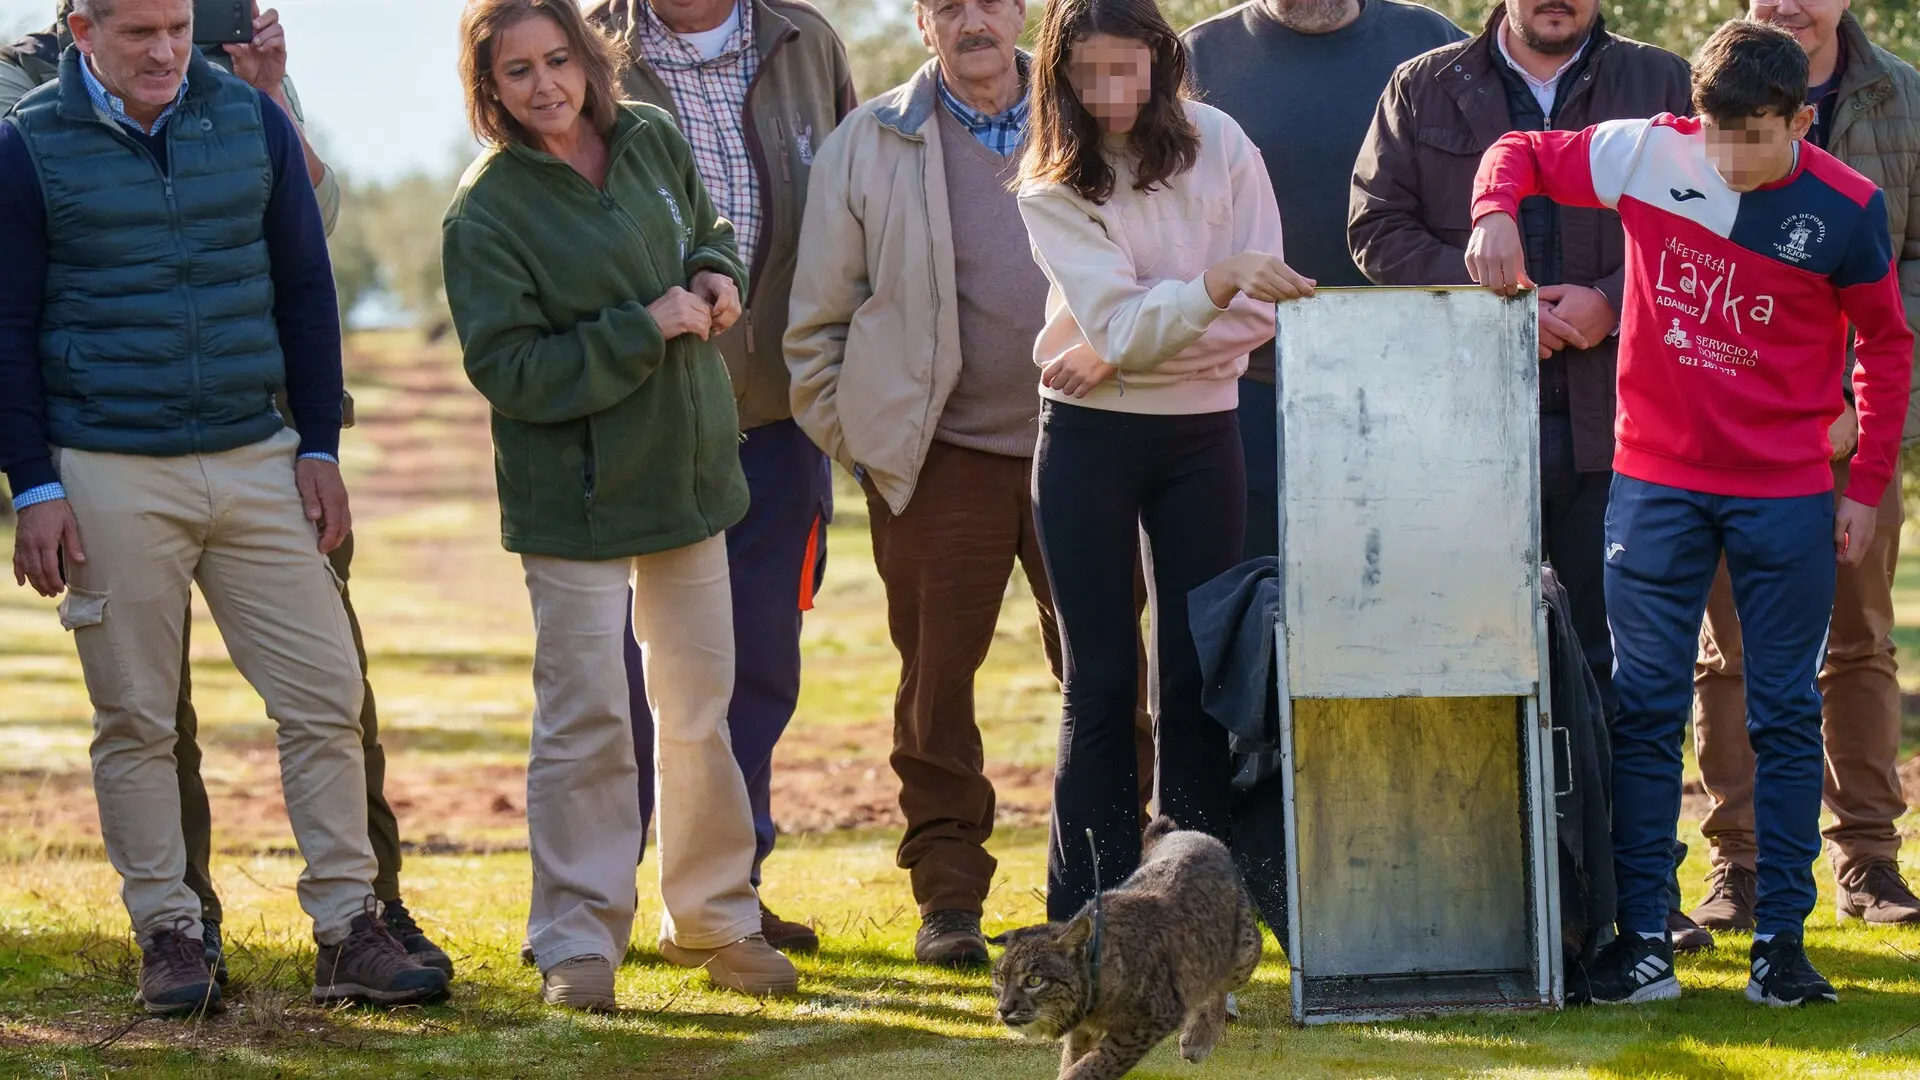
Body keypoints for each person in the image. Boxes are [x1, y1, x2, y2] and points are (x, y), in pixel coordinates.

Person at [0, 0, 449, 1015]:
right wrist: (34, 483)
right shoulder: (28, 145)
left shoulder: (251, 122)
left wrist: (320, 444)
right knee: (135, 718)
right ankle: (170, 933)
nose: (166, 50)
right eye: (138, 33)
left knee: (325, 695)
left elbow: (307, 288)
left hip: (256, 453)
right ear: (83, 32)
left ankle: (350, 928)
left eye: (175, 27)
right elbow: (8, 324)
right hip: (108, 464)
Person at [1469, 18, 1915, 1006]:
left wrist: (1866, 487)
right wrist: (1495, 211)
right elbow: (1519, 150)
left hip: (1787, 493)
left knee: (1785, 711)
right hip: (1656, 484)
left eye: (1753, 139)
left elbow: (1887, 347)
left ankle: (1782, 947)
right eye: (1715, 135)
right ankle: (1642, 942)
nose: (1728, 160)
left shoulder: (1847, 207)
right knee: (1644, 708)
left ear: (1800, 122)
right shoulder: (1648, 151)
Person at [444, 0, 799, 1005]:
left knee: (699, 706)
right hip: (576, 499)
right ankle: (576, 940)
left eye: (559, 59)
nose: (545, 85)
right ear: (489, 87)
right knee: (587, 718)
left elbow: (707, 228)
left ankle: (716, 919)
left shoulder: (647, 136)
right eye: (517, 71)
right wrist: (643, 327)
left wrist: (714, 275)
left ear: (590, 58)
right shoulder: (486, 210)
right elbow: (511, 370)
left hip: (688, 475)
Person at [1351, 4, 1714, 951]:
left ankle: (1634, 901)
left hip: (1625, 427)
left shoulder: (1661, 83)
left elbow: (1717, 223)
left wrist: (1614, 303)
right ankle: (1483, 901)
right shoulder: (1423, 87)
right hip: (1465, 430)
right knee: (1464, 660)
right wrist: (1492, 295)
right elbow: (1375, 228)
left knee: (1620, 671)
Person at [1016, 0, 1309, 922]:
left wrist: (1127, 347)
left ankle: (1191, 912)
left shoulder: (1223, 143)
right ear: (1058, 76)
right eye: (1085, 74)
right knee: (1102, 681)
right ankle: (1086, 914)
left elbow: (1261, 312)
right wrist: (1202, 292)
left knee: (1195, 679)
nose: (1108, 94)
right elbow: (1165, 313)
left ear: (1161, 59)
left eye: (1126, 69)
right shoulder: (1048, 185)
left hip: (1203, 436)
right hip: (1086, 440)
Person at [787, 0, 1063, 968]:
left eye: (989, 1)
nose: (971, 20)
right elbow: (817, 325)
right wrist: (866, 444)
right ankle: (949, 900)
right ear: (921, 22)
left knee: (1110, 671)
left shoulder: (1085, 113)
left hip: (1088, 442)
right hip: (939, 456)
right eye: (948, 5)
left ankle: (1107, 884)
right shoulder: (868, 142)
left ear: (1022, 10)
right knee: (937, 684)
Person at [582, 0, 854, 956]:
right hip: (642, 414)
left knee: (759, 664)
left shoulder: (807, 42)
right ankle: (596, 902)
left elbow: (852, 217)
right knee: (623, 671)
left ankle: (728, 894)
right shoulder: (583, 46)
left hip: (781, 417)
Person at [1689, 0, 1920, 937]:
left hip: (1856, 433)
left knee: (1859, 641)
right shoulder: (1705, 92)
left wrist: (1863, 407)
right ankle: (1736, 864)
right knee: (1729, 653)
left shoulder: (1904, 99)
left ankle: (1867, 858)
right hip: (1728, 435)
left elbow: (1914, 270)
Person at [1185, 0, 1463, 560]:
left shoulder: (1433, 42)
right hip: (1244, 388)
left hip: (1413, 388)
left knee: (1405, 585)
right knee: (1248, 589)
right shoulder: (1196, 58)